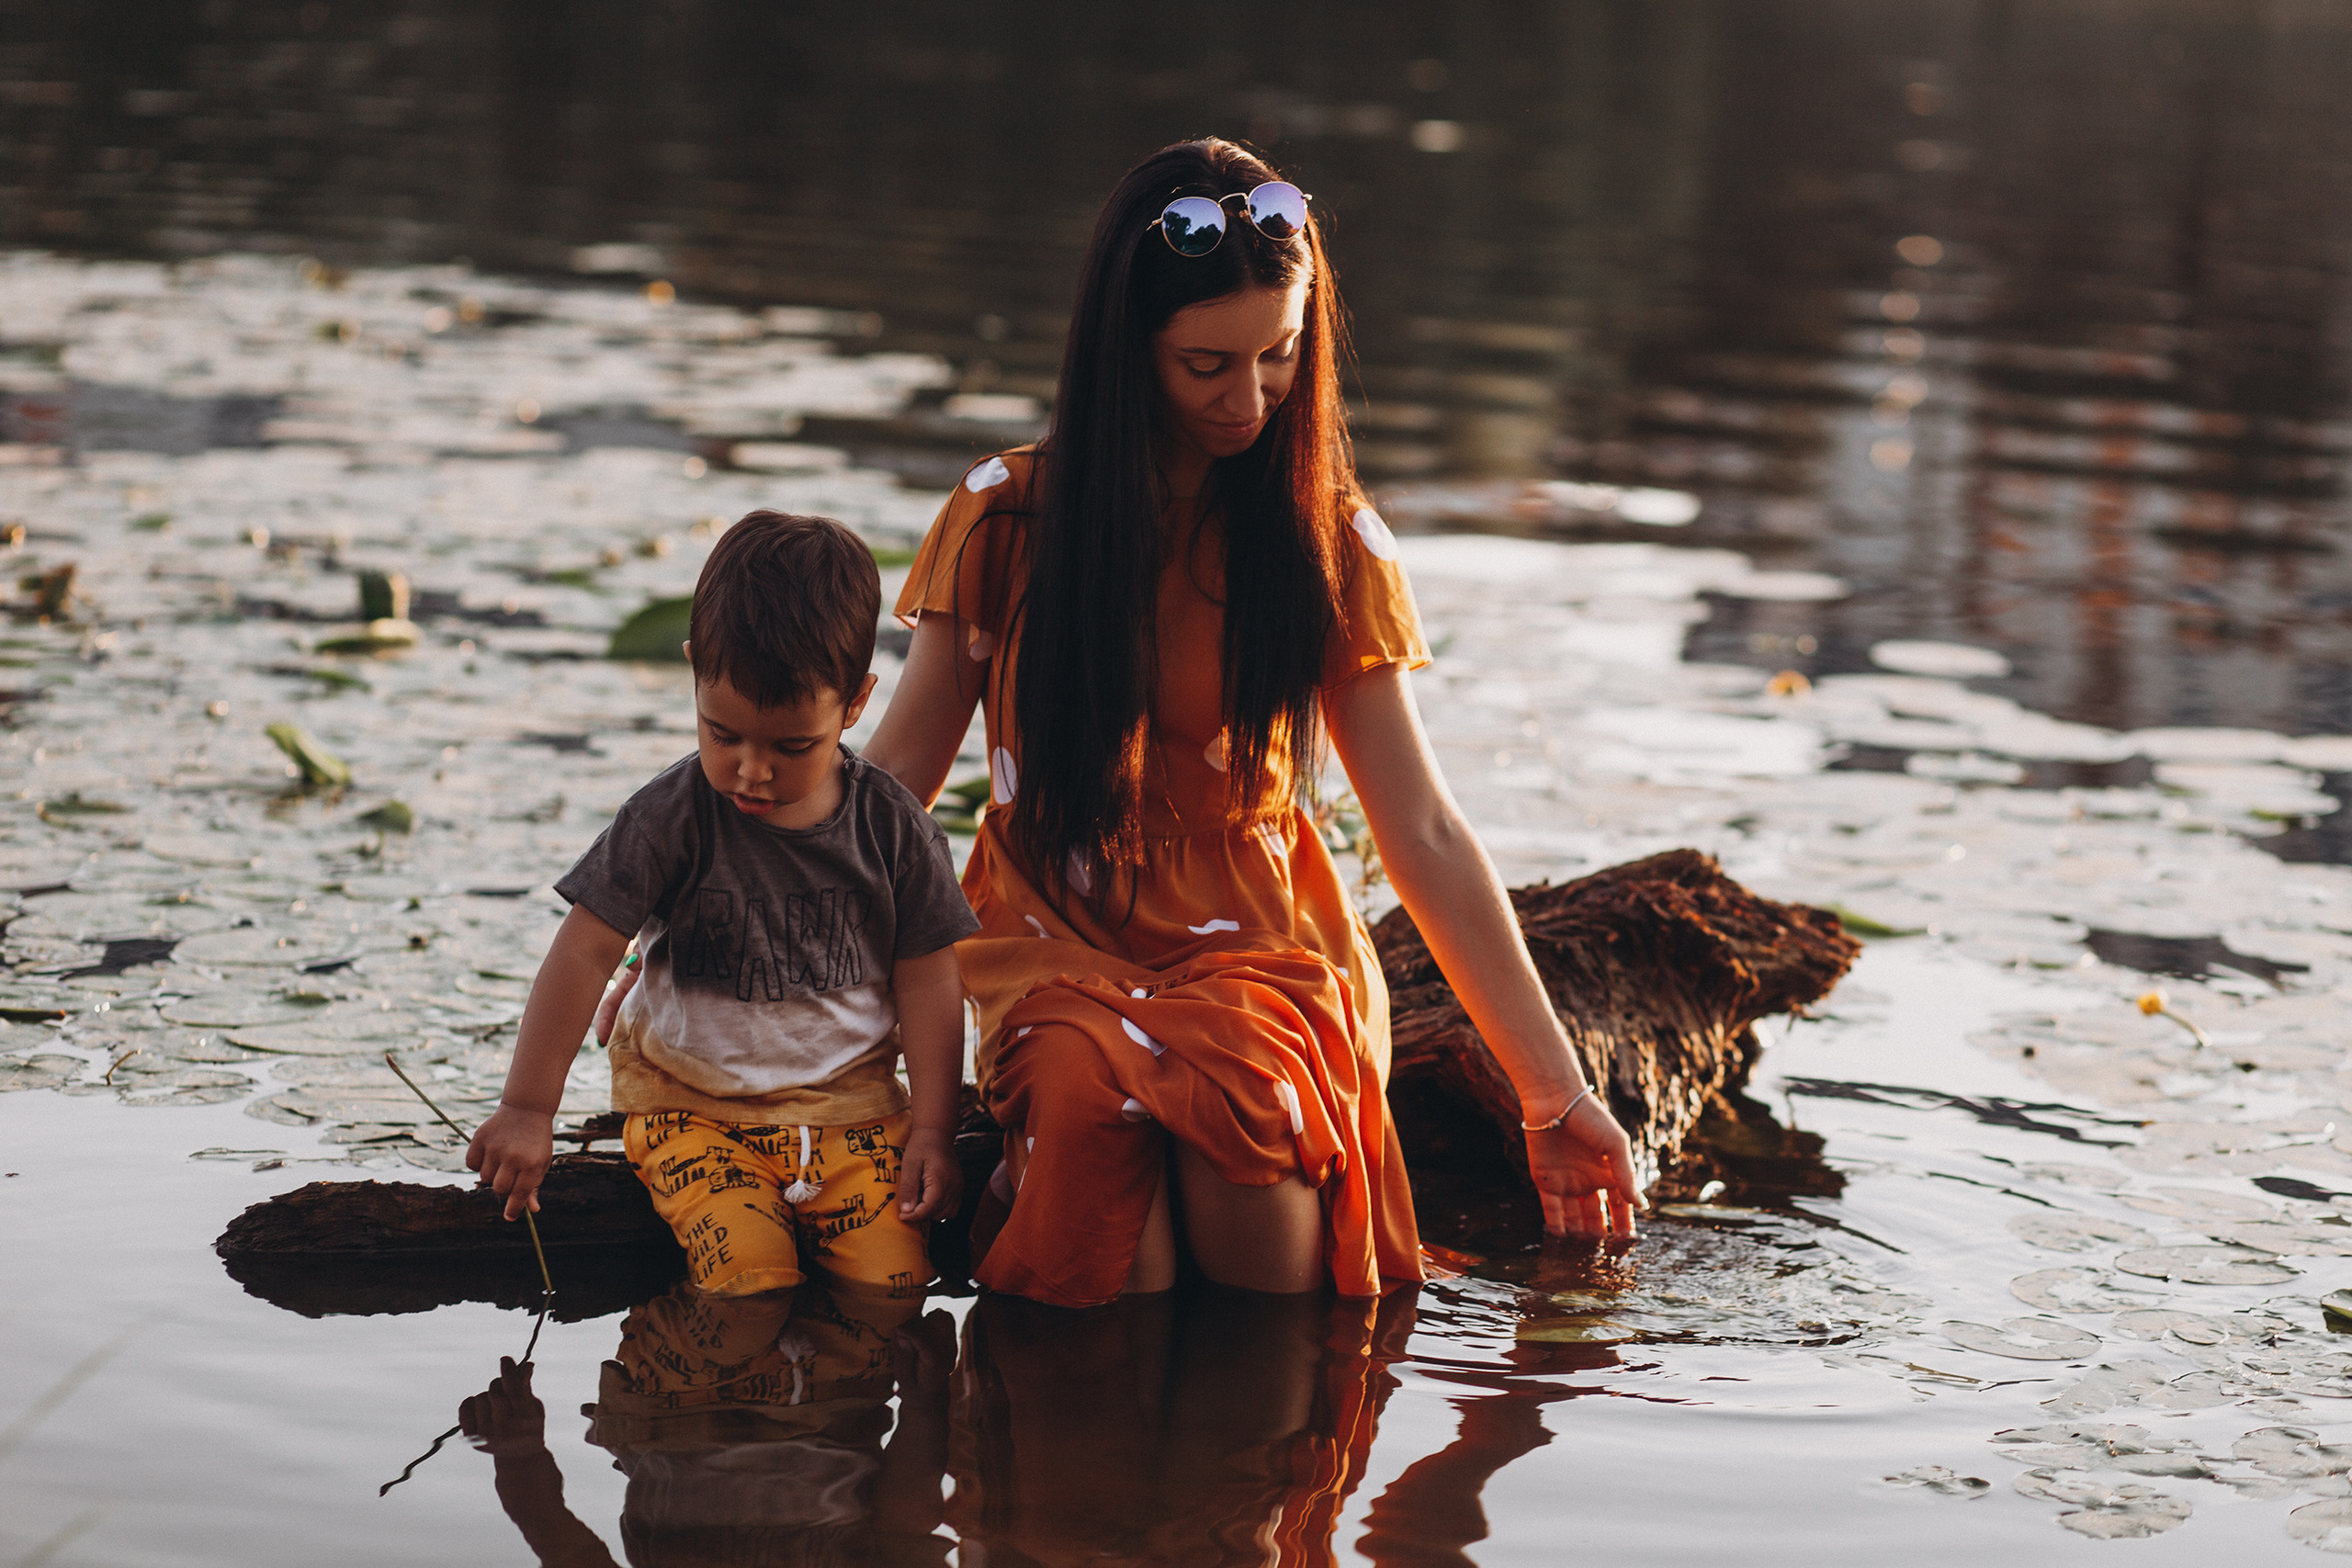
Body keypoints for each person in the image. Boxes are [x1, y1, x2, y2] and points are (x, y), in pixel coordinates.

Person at [857, 137, 1646, 1307]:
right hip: (1055, 944)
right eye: (1205, 364)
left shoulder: (1324, 537)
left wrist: (1555, 1096)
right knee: (1096, 1144)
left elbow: (1420, 828)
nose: (1247, 400)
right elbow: (887, 792)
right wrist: (723, 925)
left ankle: (1264, 1480)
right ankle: (1092, 1469)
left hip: (1266, 959)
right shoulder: (1008, 518)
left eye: (1279, 357)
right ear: (1128, 350)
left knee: (1259, 1199)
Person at [467, 509, 980, 1302]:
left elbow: (930, 979)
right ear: (694, 671)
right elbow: (583, 951)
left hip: (852, 1118)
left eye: (789, 745)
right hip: (692, 1112)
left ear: (855, 702)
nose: (750, 770)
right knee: (750, 1276)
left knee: (897, 1286)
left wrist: (937, 1131)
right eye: (723, 733)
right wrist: (528, 1107)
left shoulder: (892, 829)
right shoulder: (669, 817)